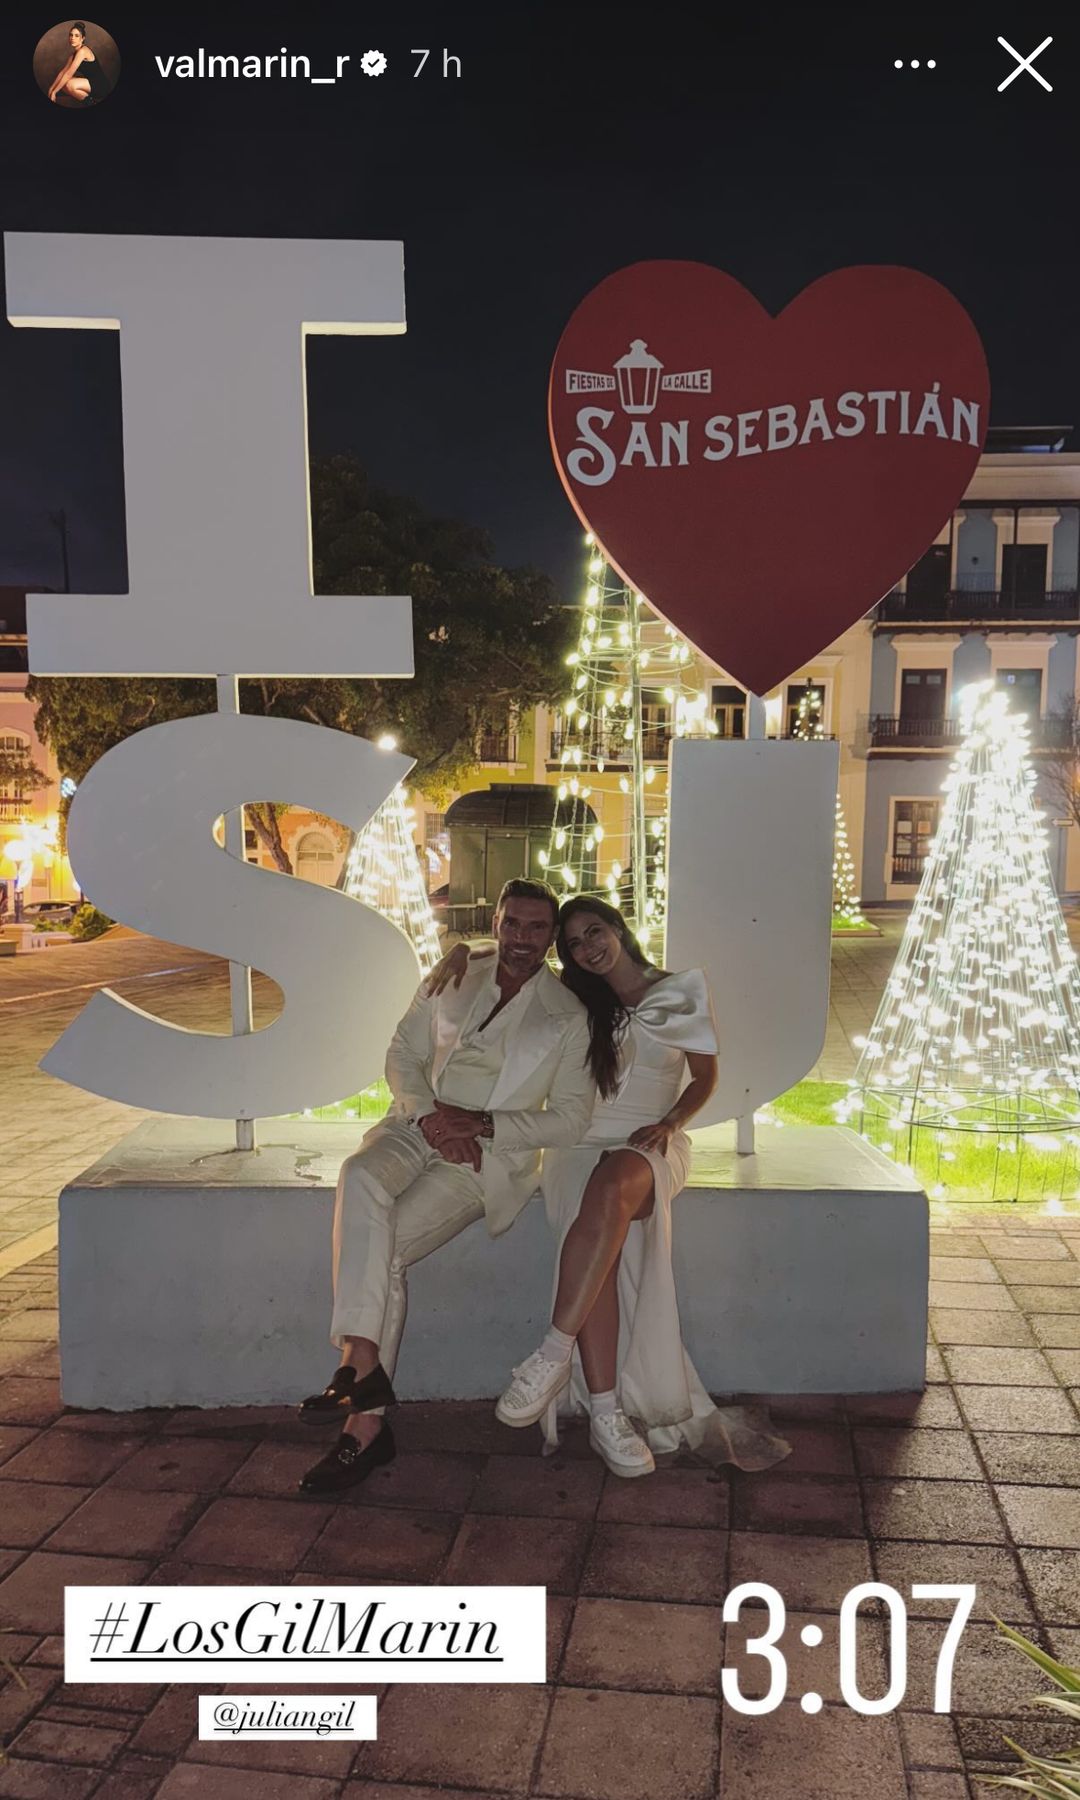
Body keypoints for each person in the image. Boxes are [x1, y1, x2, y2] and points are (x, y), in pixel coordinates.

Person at [428, 896, 791, 1477]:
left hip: (649, 1142)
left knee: (615, 1179)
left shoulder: (681, 990)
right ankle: (605, 1415)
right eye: (574, 944)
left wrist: (671, 1124)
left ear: (618, 928)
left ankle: (551, 1356)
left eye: (594, 932)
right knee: (597, 1239)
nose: (587, 948)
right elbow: (515, 956)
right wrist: (463, 948)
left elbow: (706, 1077)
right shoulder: (576, 1000)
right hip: (576, 1145)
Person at [297, 877, 596, 1494]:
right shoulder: (456, 973)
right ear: (496, 920)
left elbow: (569, 1118)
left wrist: (481, 1125)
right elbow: (402, 1052)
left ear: (552, 938)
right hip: (417, 1122)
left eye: (537, 928)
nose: (522, 938)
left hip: (485, 1156)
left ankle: (364, 1423)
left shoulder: (568, 1015)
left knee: (388, 1254)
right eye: (512, 923)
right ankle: (363, 1363)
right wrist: (432, 1117)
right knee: (358, 1174)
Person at [48, 22, 111, 105]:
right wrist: (51, 89)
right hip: (89, 83)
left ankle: (91, 102)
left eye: (76, 36)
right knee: (63, 83)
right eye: (71, 35)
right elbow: (63, 73)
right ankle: (89, 100)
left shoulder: (83, 51)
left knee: (68, 83)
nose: (72, 38)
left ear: (82, 38)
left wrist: (55, 92)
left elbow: (68, 74)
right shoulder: (73, 56)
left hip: (100, 85)